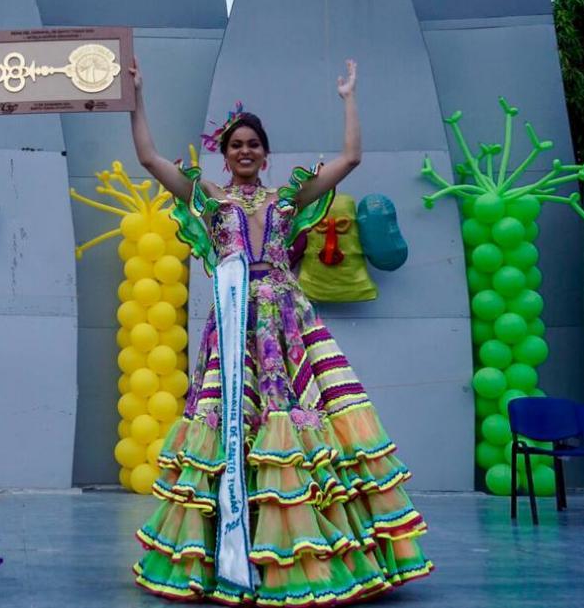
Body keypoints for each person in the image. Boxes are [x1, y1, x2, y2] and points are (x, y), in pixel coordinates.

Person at [126, 58, 432, 605]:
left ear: (266, 153)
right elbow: (149, 158)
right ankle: (226, 554)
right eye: (237, 144)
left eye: (254, 145)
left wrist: (348, 97)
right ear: (225, 153)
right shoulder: (210, 198)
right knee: (231, 425)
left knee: (300, 423)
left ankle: (310, 551)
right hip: (234, 323)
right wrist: (137, 96)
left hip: (287, 326)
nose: (245, 152)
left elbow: (352, 158)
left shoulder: (287, 199)